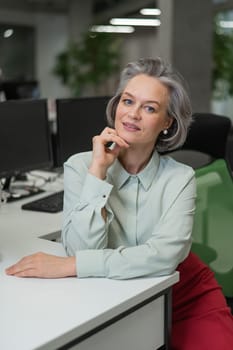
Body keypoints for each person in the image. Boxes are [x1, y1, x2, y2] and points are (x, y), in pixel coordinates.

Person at [6, 57, 233, 349]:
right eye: (127, 101)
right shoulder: (81, 167)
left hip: (183, 291)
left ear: (167, 122)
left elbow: (164, 258)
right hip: (118, 295)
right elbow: (82, 250)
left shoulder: (180, 177)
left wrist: (72, 265)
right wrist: (98, 172)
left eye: (149, 108)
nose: (133, 114)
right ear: (116, 106)